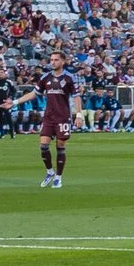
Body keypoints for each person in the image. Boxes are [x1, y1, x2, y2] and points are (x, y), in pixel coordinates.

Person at [35, 53, 76, 187]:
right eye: (51, 60)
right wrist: (15, 102)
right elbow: (34, 93)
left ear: (63, 61)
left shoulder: (69, 78)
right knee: (43, 145)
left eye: (56, 60)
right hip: (48, 117)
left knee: (60, 146)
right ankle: (50, 172)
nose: (53, 62)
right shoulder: (45, 77)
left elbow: (76, 96)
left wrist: (79, 115)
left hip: (63, 117)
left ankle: (58, 177)